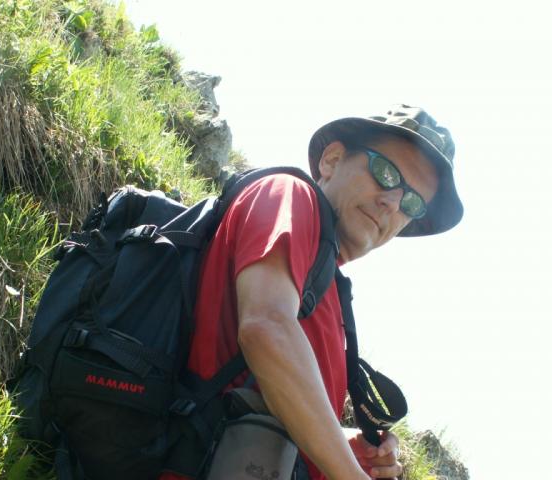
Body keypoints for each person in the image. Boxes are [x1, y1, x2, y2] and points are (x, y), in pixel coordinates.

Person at [161, 104, 463, 480]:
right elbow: (266, 328)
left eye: (412, 202)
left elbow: (264, 396)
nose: (392, 202)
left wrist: (344, 448)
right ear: (332, 160)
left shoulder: (330, 288)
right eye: (386, 173)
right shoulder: (290, 196)